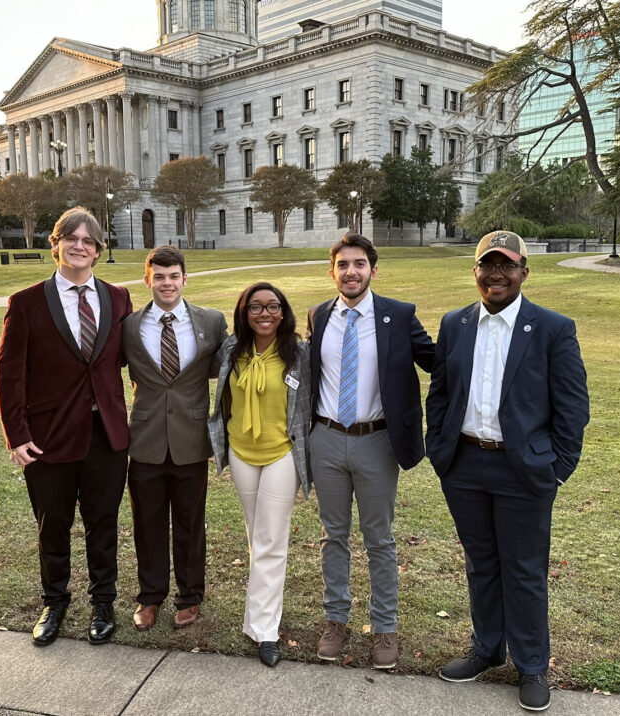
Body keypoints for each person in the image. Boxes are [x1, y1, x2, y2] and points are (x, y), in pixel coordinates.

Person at [425, 230, 589, 712]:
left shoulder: (553, 328)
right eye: (486, 265)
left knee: (524, 569)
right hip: (465, 465)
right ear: (475, 270)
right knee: (481, 563)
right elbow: (440, 392)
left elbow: (573, 407)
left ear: (523, 271)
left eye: (506, 265)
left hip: (524, 472)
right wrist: (441, 451)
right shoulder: (455, 324)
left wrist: (556, 468)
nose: (496, 274)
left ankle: (532, 663)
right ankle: (487, 648)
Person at [0, 206, 133, 648]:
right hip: (48, 438)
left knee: (103, 524)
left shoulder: (118, 298)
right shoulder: (27, 303)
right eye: (70, 239)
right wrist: (17, 436)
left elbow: (133, 361)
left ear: (98, 251)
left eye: (88, 241)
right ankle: (54, 601)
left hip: (106, 435)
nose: (79, 246)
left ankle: (102, 603)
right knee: (52, 525)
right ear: (55, 245)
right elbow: (10, 374)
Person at [307, 232, 435, 670]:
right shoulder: (318, 315)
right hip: (325, 439)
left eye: (359, 264)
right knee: (333, 535)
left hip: (378, 441)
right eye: (343, 265)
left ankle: (384, 628)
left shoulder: (397, 316)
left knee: (379, 539)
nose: (351, 272)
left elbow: (438, 363)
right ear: (333, 271)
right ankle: (336, 620)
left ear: (373, 270)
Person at [122, 246, 227, 632]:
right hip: (145, 439)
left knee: (190, 522)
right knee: (147, 522)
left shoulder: (212, 322)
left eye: (173, 276)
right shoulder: (129, 327)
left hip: (191, 440)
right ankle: (150, 597)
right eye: (159, 276)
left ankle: (189, 597)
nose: (167, 283)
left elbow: (230, 367)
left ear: (185, 279)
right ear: (147, 280)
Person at [208, 282, 311, 667]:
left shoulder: (300, 354)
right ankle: (257, 619)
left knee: (271, 540)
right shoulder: (230, 351)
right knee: (257, 537)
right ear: (244, 313)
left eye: (272, 306)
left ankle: (266, 631)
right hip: (241, 453)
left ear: (283, 312)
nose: (264, 313)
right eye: (256, 307)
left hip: (282, 453)